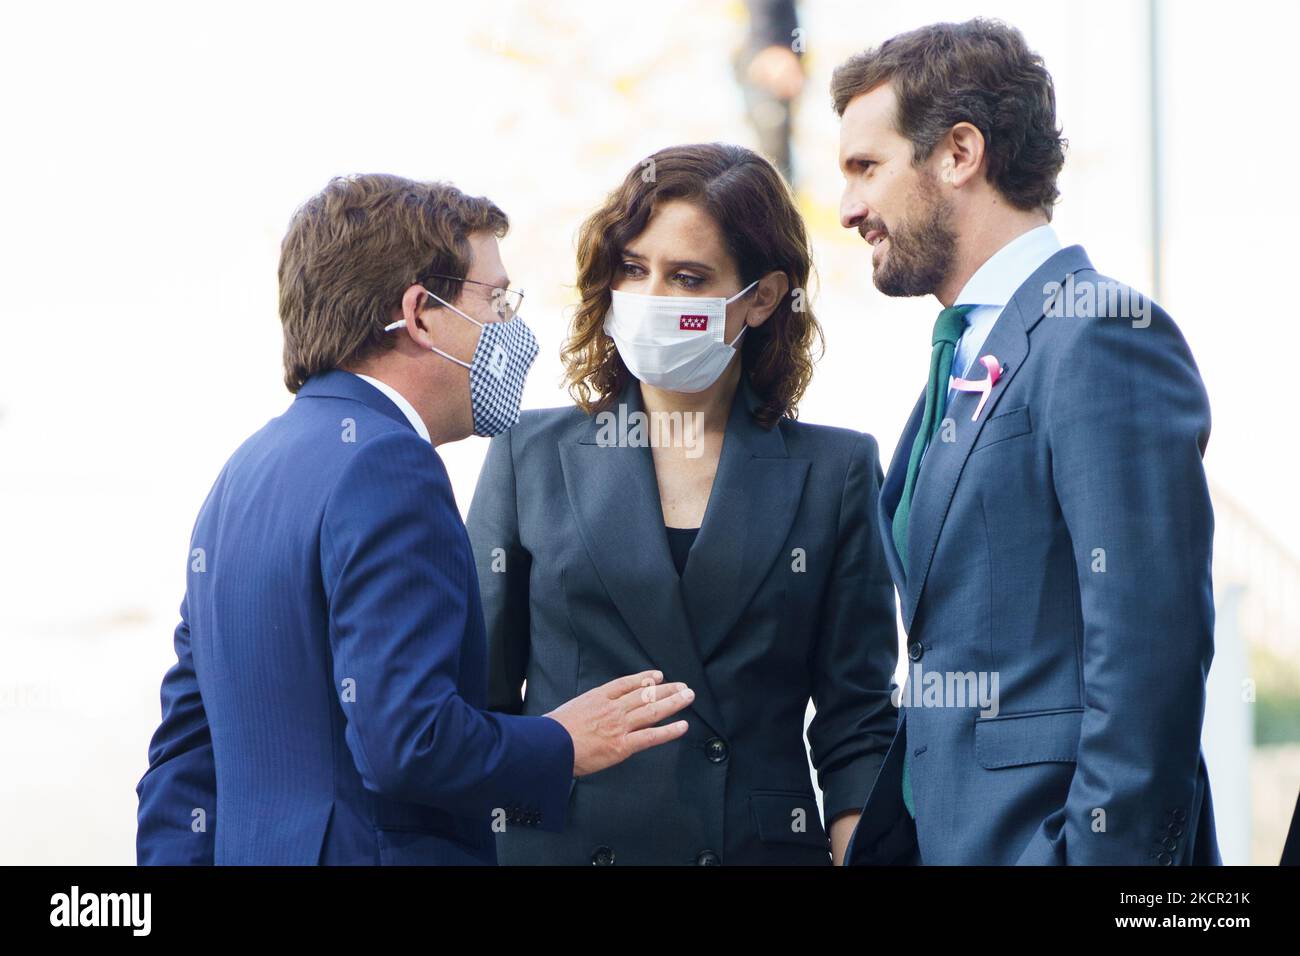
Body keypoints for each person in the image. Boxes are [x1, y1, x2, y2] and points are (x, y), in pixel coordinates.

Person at [135, 173, 694, 865]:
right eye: (496, 300)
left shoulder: (246, 470)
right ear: (420, 315)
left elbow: (186, 751)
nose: (511, 330)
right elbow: (407, 741)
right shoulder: (388, 465)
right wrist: (562, 743)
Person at [832, 20, 1220, 865]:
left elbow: (1152, 650)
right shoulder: (973, 353)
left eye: (867, 167)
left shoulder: (1101, 335)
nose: (848, 208)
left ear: (959, 152)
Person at [466, 143, 899, 865]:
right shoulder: (528, 453)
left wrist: (856, 846)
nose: (652, 297)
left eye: (689, 277)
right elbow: (477, 701)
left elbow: (857, 719)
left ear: (761, 298)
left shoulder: (837, 470)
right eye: (633, 269)